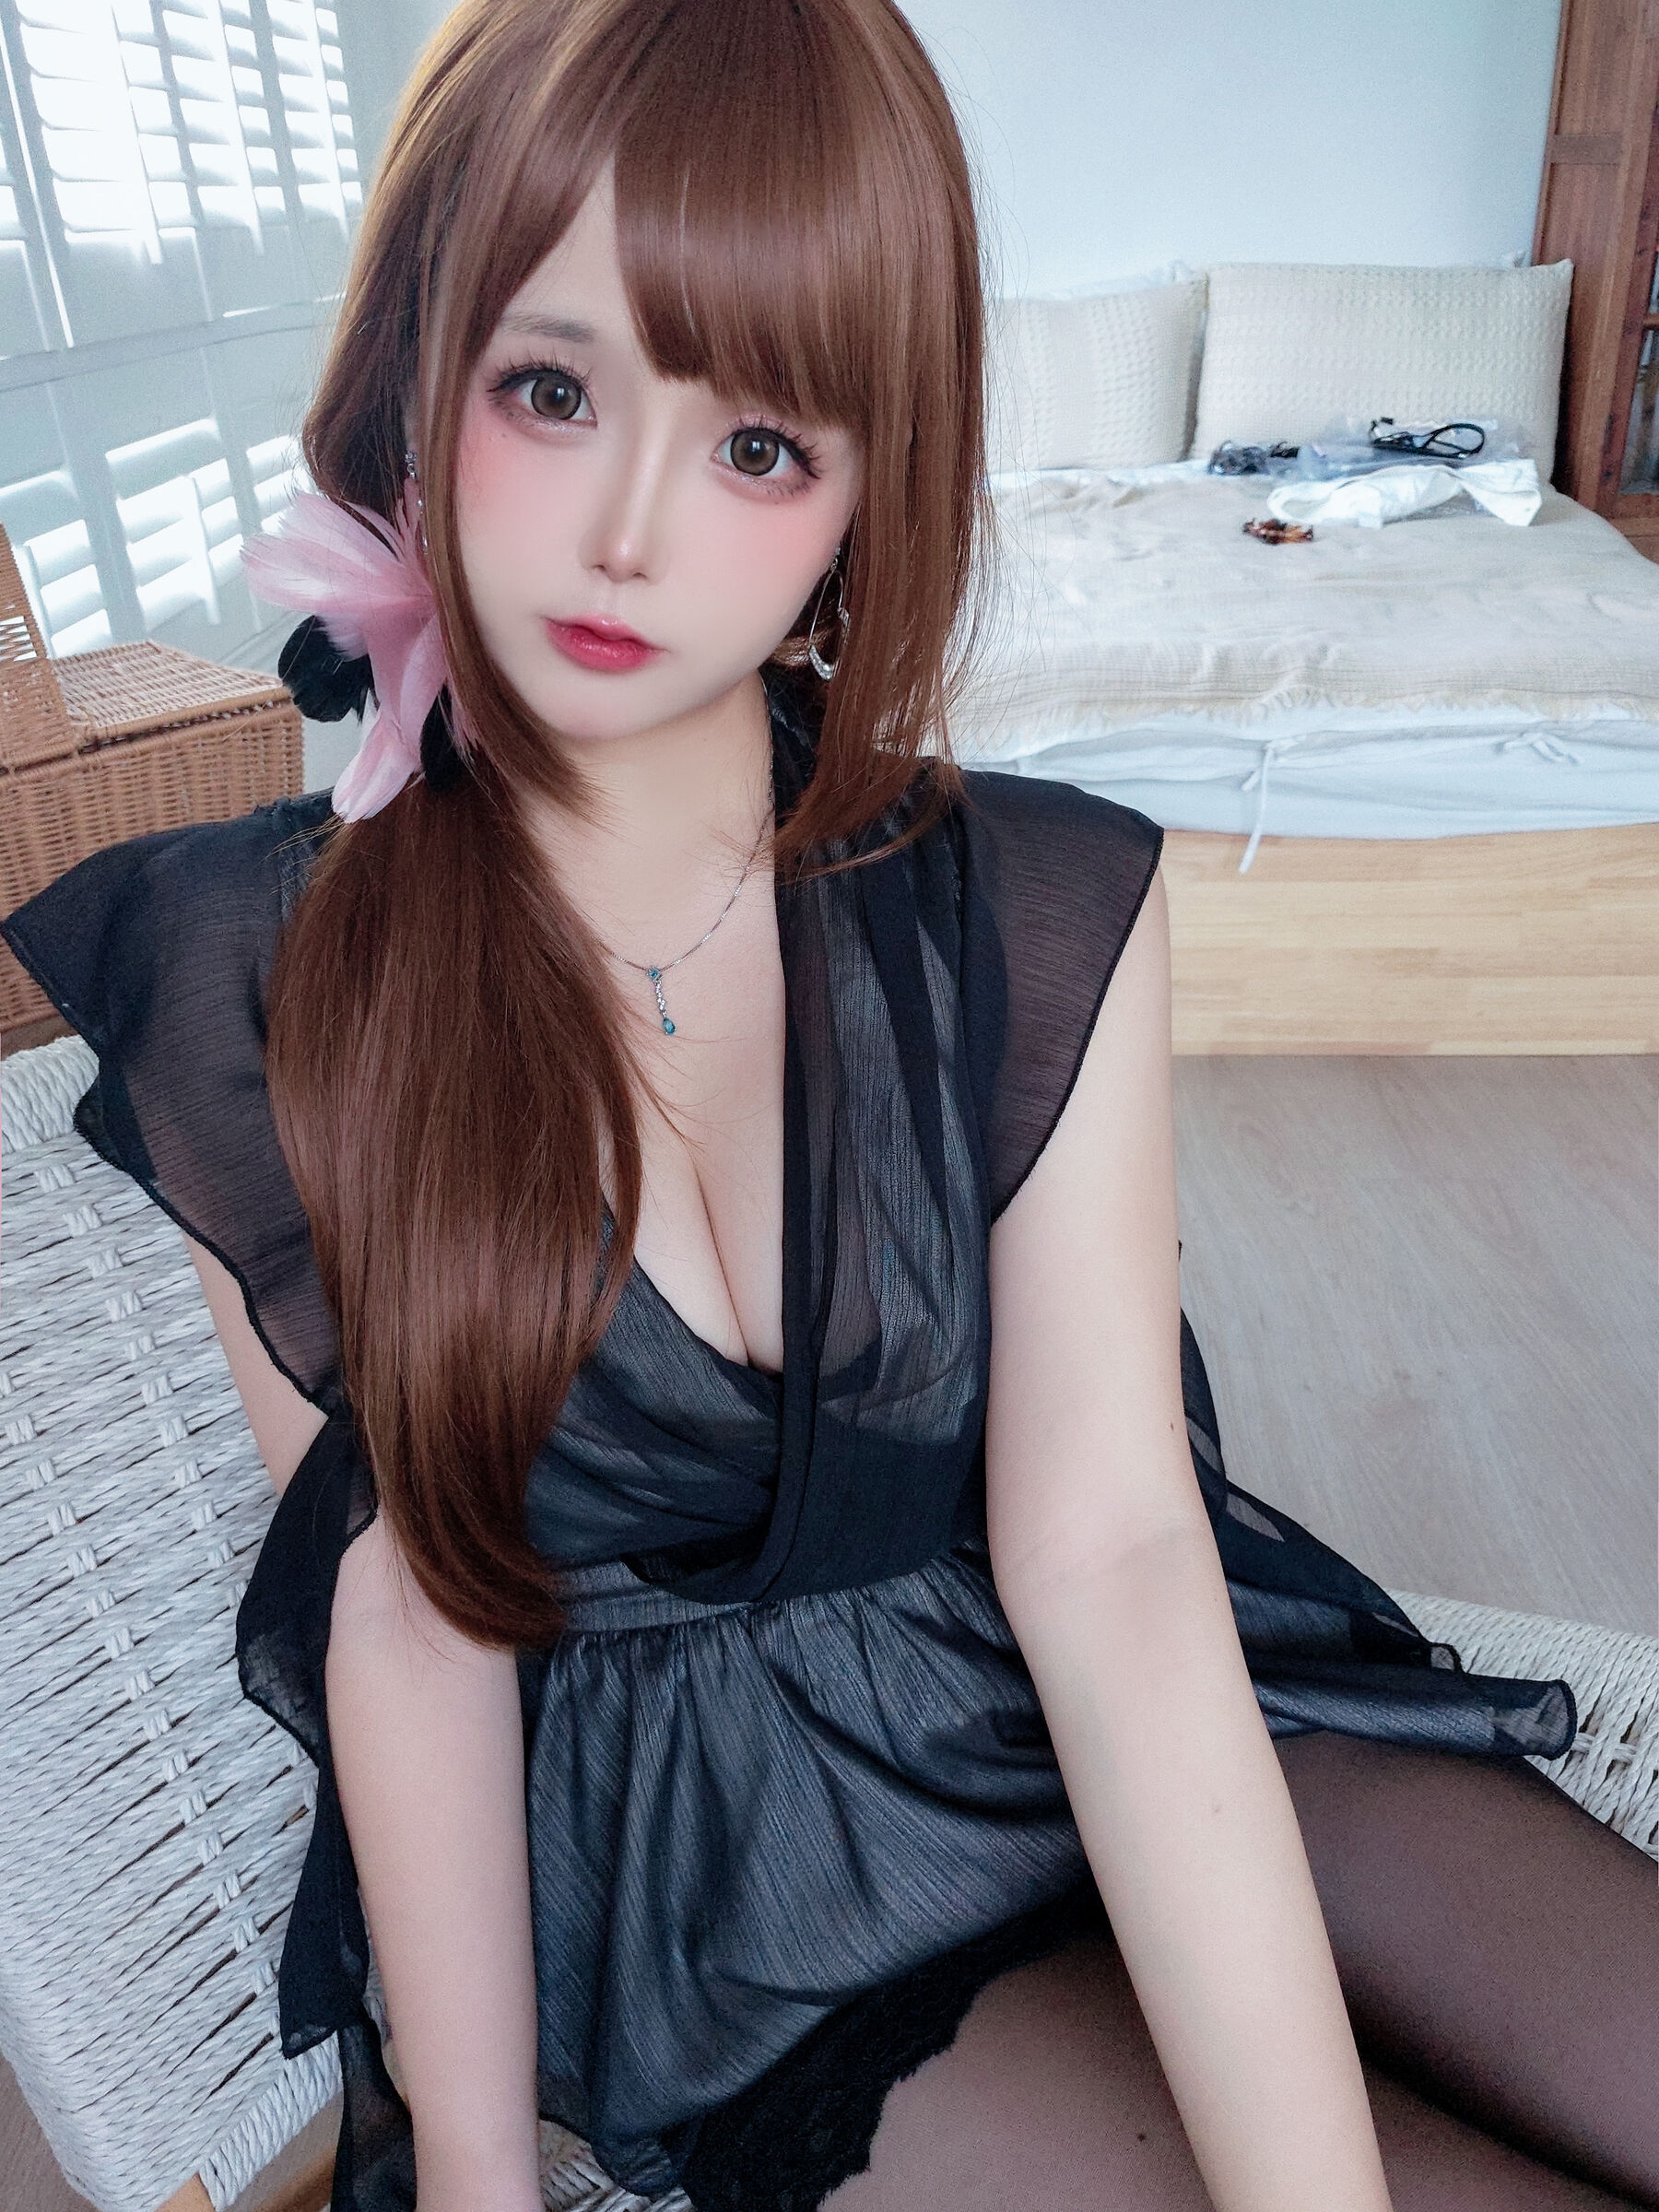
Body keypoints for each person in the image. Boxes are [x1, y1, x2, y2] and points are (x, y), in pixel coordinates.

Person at [2, 3, 1654, 2208]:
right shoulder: (265, 975)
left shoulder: (1030, 900)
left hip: (1108, 1693)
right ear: (417, 367)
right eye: (553, 390)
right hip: (748, 1887)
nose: (628, 532)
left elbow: (1113, 1556)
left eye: (761, 444)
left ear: (872, 486)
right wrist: (478, 2182)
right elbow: (402, 1613)